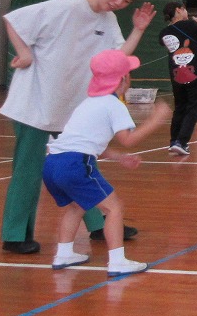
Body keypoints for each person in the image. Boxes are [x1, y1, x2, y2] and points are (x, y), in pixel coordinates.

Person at [0, 0, 155, 255]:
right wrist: (24, 52)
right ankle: (15, 234)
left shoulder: (107, 21)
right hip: (36, 102)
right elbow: (13, 19)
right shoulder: (67, 6)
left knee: (83, 165)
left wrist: (139, 29)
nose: (118, 2)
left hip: (72, 108)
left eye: (125, 1)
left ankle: (97, 225)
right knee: (29, 171)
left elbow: (118, 57)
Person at [41, 49, 170, 276]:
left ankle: (63, 253)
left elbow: (87, 143)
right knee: (114, 207)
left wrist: (119, 157)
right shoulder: (114, 105)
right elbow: (127, 139)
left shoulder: (87, 104)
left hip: (52, 163)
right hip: (75, 164)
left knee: (75, 206)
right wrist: (155, 121)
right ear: (122, 79)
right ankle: (118, 261)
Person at [158, 1, 197, 157]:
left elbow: (166, 43)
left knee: (180, 107)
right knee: (193, 107)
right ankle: (182, 142)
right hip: (196, 72)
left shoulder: (164, 32)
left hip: (176, 75)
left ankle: (174, 141)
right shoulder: (191, 25)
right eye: (185, 9)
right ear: (178, 10)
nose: (186, 12)